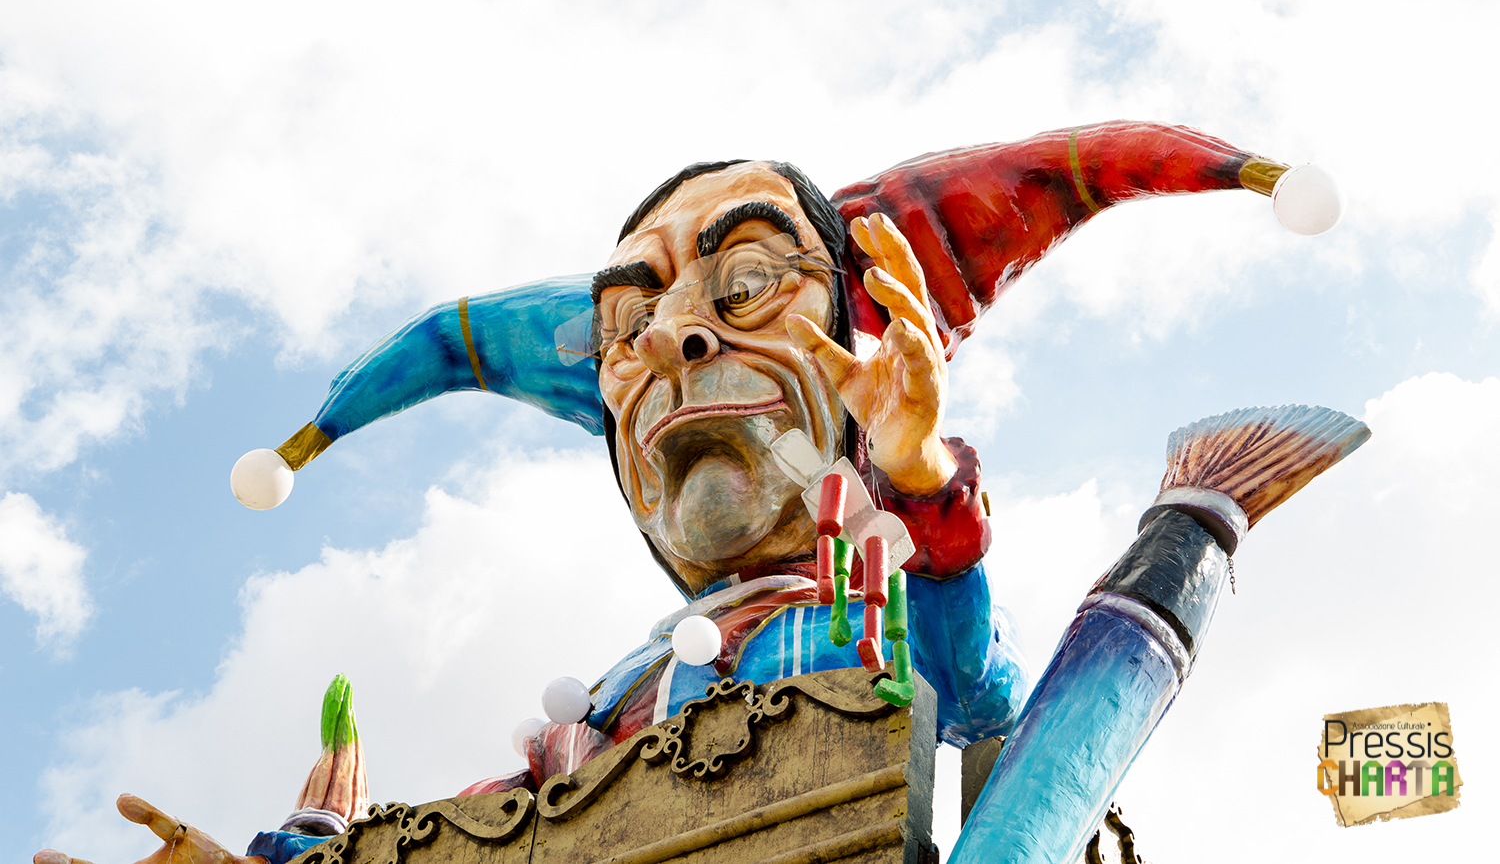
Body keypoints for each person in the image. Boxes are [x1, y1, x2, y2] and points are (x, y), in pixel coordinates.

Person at [43, 121, 1347, 864]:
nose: (671, 336)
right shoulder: (617, 697)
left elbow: (982, 696)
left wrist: (914, 479)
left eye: (747, 282)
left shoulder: (862, 602)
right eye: (629, 323)